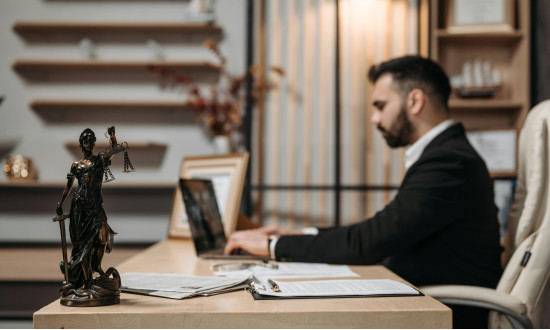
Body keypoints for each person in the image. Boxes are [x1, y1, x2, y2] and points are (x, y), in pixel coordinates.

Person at [224, 55, 503, 328]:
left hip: (444, 314)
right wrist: (298, 235)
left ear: (415, 101)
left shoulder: (449, 162)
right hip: (421, 302)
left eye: (381, 106)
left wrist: (273, 246)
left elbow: (369, 242)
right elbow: (378, 230)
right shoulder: (446, 155)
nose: (374, 118)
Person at [56, 127, 122, 296]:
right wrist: (60, 203)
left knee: (101, 237)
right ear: (81, 144)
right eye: (86, 140)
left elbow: (113, 150)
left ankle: (97, 266)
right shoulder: (76, 165)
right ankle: (86, 283)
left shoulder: (99, 161)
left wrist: (113, 137)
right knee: (83, 247)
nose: (89, 143)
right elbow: (69, 186)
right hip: (80, 207)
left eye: (92, 140)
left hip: (96, 205)